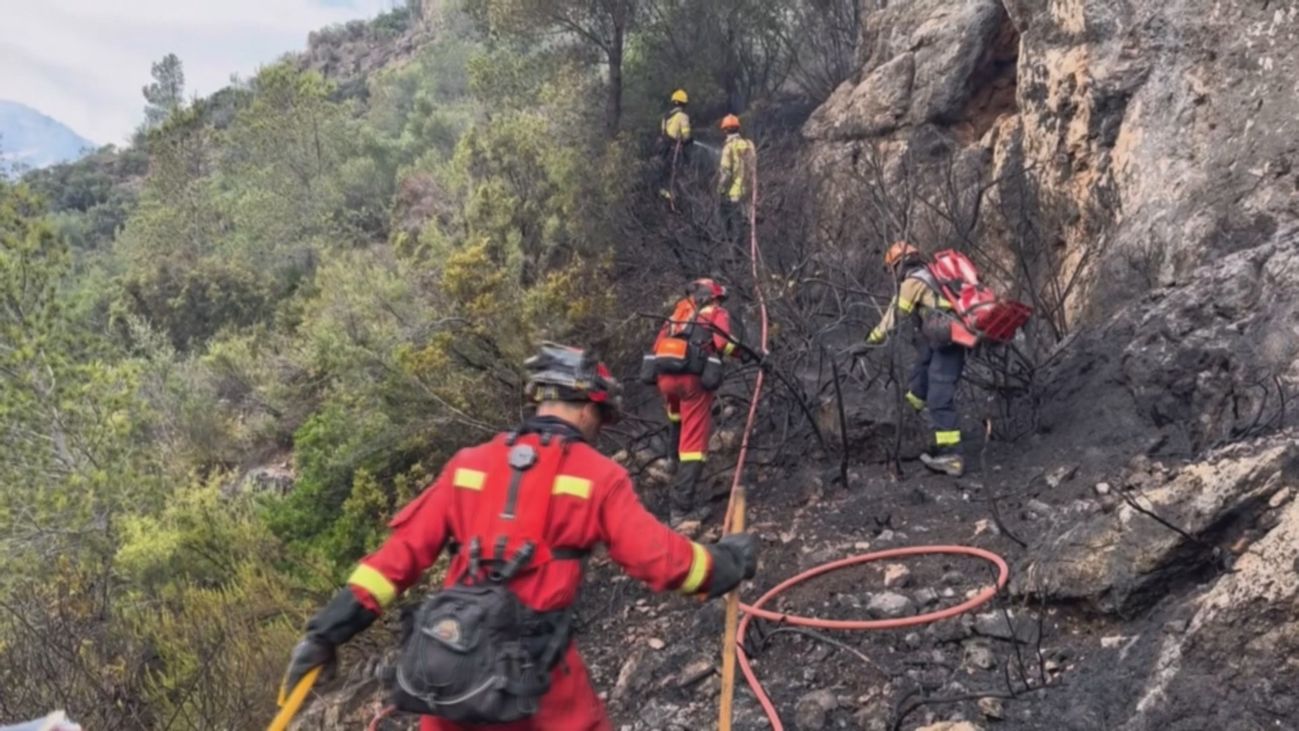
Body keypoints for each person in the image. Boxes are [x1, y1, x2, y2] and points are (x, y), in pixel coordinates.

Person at [279, 343, 758, 731]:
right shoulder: (596, 476)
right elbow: (660, 560)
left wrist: (326, 633)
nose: (600, 428)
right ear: (588, 404)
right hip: (540, 690)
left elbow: (394, 563)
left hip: (453, 684)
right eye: (601, 416)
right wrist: (723, 565)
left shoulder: (469, 465)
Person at [646, 279, 754, 524]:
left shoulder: (678, 313)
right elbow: (723, 344)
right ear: (715, 296)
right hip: (692, 381)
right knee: (694, 444)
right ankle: (681, 510)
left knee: (676, 417)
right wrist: (747, 353)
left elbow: (656, 346)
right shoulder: (716, 312)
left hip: (665, 379)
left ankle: (670, 463)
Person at [865, 242, 967, 477]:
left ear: (898, 265)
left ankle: (952, 455)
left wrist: (870, 340)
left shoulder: (914, 282)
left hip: (947, 341)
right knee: (921, 377)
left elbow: (895, 316)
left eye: (892, 269)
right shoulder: (932, 274)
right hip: (941, 340)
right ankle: (917, 429)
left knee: (939, 397)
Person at [717, 114, 753, 246]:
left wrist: (720, 188)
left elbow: (726, 173)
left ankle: (731, 247)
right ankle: (740, 247)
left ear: (725, 130)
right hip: (748, 190)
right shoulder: (748, 145)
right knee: (742, 220)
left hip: (734, 192)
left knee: (728, 216)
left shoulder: (728, 148)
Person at [657, 89, 692, 200]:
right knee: (678, 174)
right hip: (675, 151)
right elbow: (686, 136)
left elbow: (663, 132)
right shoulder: (683, 117)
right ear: (684, 103)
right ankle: (676, 198)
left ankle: (664, 192)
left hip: (664, 149)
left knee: (665, 172)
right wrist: (689, 140)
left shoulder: (666, 116)